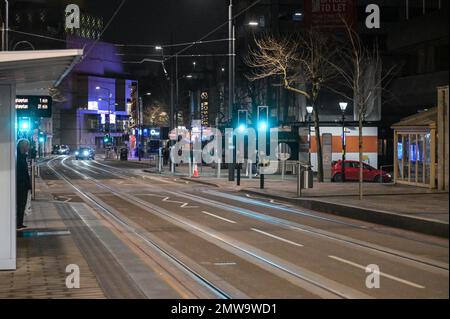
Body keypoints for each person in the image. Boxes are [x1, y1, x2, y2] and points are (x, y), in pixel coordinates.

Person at [16, 139, 31, 230]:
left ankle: (20, 222)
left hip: (23, 184)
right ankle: (18, 223)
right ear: (23, 147)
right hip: (21, 185)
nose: (29, 148)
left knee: (22, 204)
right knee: (21, 204)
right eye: (28, 146)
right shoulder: (19, 157)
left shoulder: (21, 156)